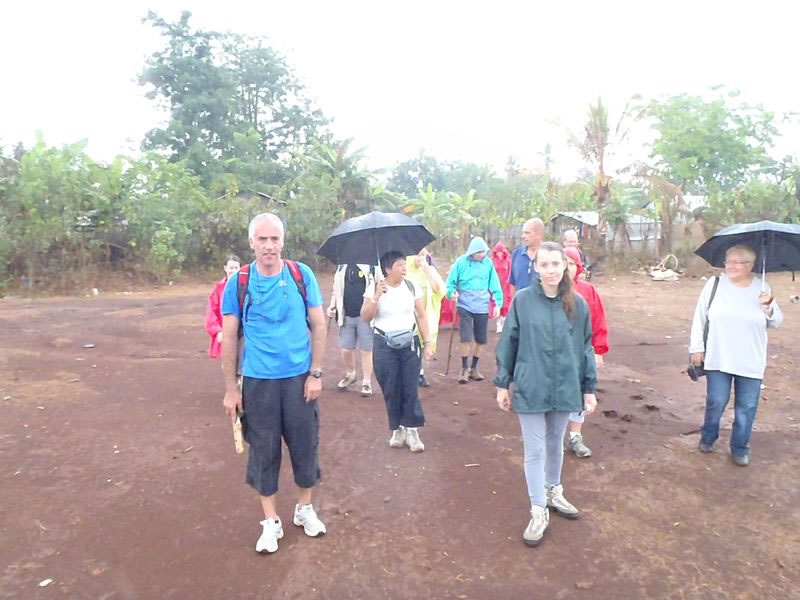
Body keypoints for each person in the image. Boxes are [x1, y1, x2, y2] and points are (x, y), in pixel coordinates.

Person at [220, 213, 327, 554]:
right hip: (258, 382)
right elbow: (229, 336)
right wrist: (230, 389)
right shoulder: (238, 282)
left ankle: (305, 509)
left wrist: (316, 372)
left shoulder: (301, 275)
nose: (269, 246)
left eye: (274, 239)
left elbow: (320, 325)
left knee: (305, 445)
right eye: (262, 239)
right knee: (264, 452)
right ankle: (271, 522)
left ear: (283, 241)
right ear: (251, 242)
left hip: (299, 381)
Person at [494, 241, 598, 547]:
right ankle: (538, 509)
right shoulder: (523, 301)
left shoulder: (577, 304)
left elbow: (585, 348)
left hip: (566, 385)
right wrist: (503, 383)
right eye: (545, 264)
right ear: (535, 268)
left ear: (565, 266)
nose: (551, 270)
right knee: (535, 449)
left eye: (557, 264)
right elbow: (508, 343)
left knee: (556, 444)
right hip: (531, 385)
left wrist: (589, 388)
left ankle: (554, 490)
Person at [689, 244, 783, 466]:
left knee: (746, 408)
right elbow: (699, 318)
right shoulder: (715, 285)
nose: (730, 266)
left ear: (750, 265)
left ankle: (740, 447)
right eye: (728, 261)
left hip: (750, 359)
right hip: (718, 356)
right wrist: (696, 348)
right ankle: (708, 437)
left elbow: (776, 322)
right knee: (716, 401)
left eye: (736, 262)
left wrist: (768, 307)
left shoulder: (762, 288)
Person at [361, 251, 434, 452]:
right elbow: (366, 317)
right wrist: (376, 296)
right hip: (384, 344)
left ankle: (412, 429)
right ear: (387, 269)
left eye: (404, 264)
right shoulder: (375, 288)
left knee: (410, 386)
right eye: (400, 265)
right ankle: (397, 428)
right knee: (391, 387)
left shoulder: (411, 287)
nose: (404, 269)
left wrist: (428, 343)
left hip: (410, 343)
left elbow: (421, 315)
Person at [563, 247, 609, 458]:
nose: (567, 267)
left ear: (578, 267)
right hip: (556, 354)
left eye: (571, 263)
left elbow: (598, 321)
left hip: (581, 352)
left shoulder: (588, 291)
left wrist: (598, 351)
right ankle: (551, 438)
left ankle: (575, 437)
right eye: (563, 262)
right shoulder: (551, 291)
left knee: (581, 393)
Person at [446, 237, 503, 384]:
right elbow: (451, 283)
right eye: (478, 252)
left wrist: (498, 304)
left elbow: (495, 285)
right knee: (465, 337)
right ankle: (464, 368)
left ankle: (474, 368)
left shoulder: (488, 264)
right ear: (471, 251)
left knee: (481, 339)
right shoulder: (461, 262)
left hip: (482, 306)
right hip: (464, 304)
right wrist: (451, 293)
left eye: (483, 252)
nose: (481, 255)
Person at [327, 264, 378, 396]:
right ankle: (351, 374)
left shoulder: (372, 267)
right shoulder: (341, 267)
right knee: (345, 349)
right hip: (346, 315)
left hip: (365, 317)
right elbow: (336, 290)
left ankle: (366, 382)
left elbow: (379, 289)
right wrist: (332, 306)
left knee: (366, 349)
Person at [405, 248, 446, 387]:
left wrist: (427, 270)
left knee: (423, 343)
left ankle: (420, 373)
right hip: (408, 313)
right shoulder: (406, 270)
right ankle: (410, 372)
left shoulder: (430, 271)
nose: (420, 258)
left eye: (423, 255)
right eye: (418, 254)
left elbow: (438, 289)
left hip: (426, 313)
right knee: (410, 343)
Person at [204, 254, 241, 359]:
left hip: (244, 335)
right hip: (226, 334)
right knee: (228, 366)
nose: (233, 271)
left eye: (236, 268)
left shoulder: (246, 287)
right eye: (231, 268)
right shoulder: (218, 290)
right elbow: (211, 315)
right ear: (225, 268)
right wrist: (218, 332)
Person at [508, 218, 545, 297]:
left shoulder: (548, 254)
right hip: (521, 306)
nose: (523, 236)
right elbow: (513, 284)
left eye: (527, 233)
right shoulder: (517, 254)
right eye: (523, 233)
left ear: (539, 234)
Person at [490, 242, 512, 333]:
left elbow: (511, 273)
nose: (499, 254)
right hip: (495, 285)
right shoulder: (492, 261)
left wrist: (509, 283)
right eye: (497, 252)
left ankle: (503, 321)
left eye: (501, 252)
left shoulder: (508, 261)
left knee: (506, 304)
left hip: (505, 285)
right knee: (497, 303)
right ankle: (498, 323)